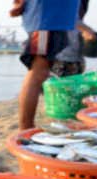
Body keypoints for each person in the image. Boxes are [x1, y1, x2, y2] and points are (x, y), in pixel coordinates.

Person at [10, 0, 81, 130]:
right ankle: (25, 128)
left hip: (57, 19)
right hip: (47, 19)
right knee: (38, 72)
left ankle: (26, 127)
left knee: (42, 71)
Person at [51, 0, 97, 77]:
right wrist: (86, 29)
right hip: (62, 60)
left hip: (75, 60)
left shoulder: (77, 8)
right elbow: (64, 17)